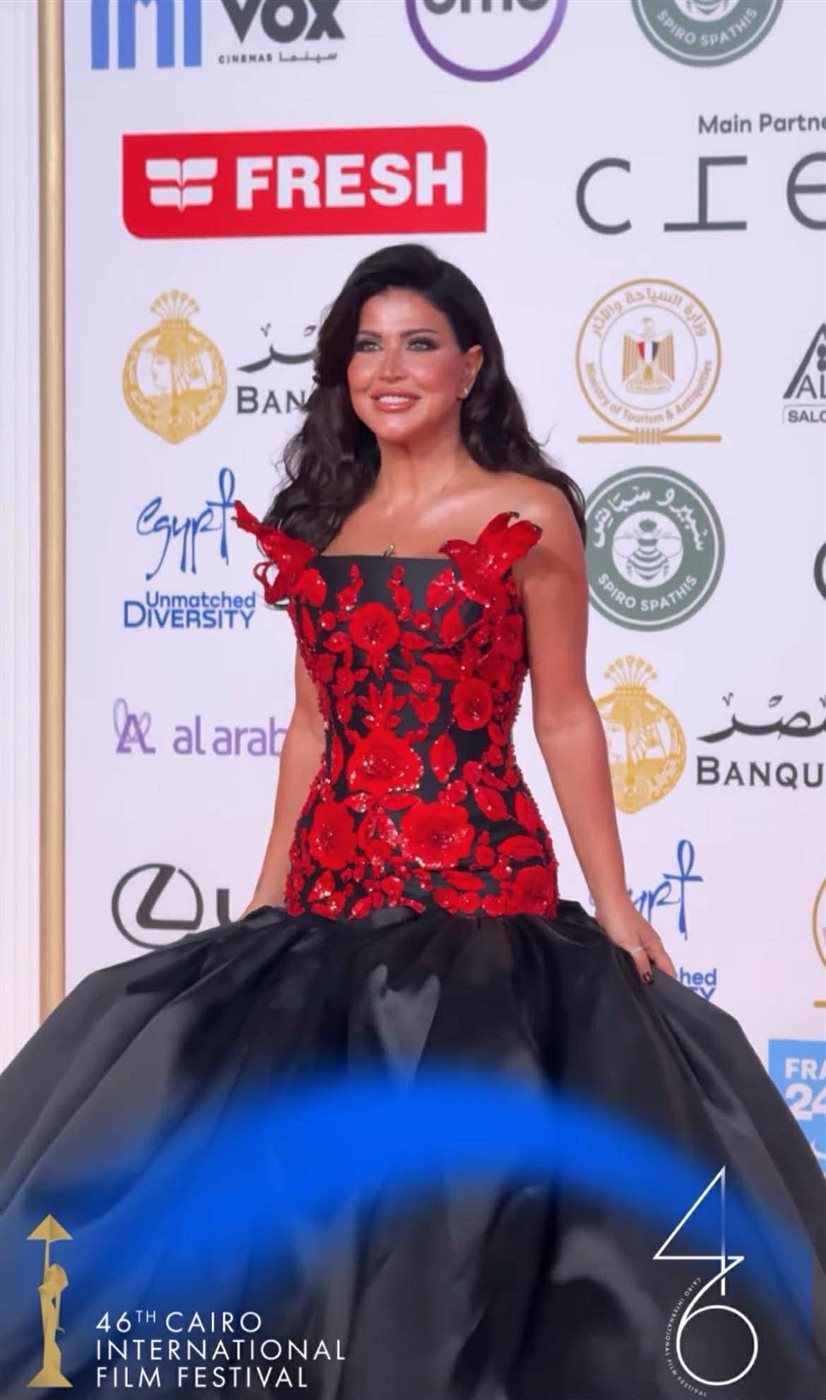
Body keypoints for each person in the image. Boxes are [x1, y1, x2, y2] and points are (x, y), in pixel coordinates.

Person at [0, 244, 824, 1400]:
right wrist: (269, 892)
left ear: (470, 365)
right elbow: (310, 726)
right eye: (366, 345)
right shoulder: (321, 520)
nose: (388, 368)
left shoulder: (528, 513)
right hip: (329, 896)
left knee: (459, 1196)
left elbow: (567, 713)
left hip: (481, 894)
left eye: (418, 343)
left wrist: (616, 899)